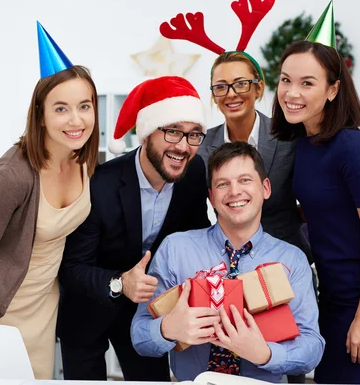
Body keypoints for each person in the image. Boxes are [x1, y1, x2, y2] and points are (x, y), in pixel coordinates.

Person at [0, 22, 99, 379]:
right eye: (61, 109)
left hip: (43, 310)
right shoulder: (14, 174)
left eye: (85, 106)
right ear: (40, 115)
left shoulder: (83, 159)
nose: (76, 119)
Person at [270, 2, 360, 385]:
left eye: (307, 83)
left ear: (333, 89)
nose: (292, 92)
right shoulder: (304, 142)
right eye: (285, 80)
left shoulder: (350, 147)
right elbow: (319, 210)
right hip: (329, 295)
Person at [57, 76, 211, 381]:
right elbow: (72, 268)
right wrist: (120, 282)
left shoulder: (194, 173)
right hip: (90, 306)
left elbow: (195, 235)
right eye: (173, 132)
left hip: (147, 312)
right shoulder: (101, 184)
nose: (183, 146)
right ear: (146, 134)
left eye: (194, 135)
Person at [131, 141, 324, 383]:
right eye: (223, 184)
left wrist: (265, 354)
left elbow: (313, 347)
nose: (234, 191)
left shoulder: (292, 260)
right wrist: (167, 329)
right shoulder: (175, 249)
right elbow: (139, 335)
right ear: (211, 197)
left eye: (245, 180)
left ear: (265, 188)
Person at [198, 51, 312, 265]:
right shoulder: (202, 147)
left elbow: (318, 200)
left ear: (258, 88)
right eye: (221, 87)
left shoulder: (290, 137)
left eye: (241, 83)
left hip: (286, 262)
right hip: (225, 263)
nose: (231, 94)